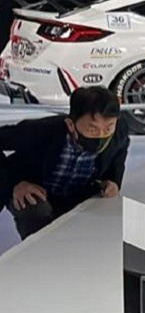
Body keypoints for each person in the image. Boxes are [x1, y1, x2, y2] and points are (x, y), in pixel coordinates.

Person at [0, 87, 129, 240]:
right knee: (34, 208)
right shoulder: (41, 131)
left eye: (108, 128)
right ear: (70, 124)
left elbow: (120, 150)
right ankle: (39, 249)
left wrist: (114, 180)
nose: (101, 136)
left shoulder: (119, 131)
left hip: (77, 192)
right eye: (92, 130)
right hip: (36, 191)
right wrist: (15, 184)